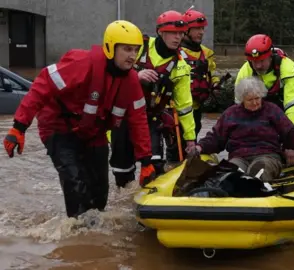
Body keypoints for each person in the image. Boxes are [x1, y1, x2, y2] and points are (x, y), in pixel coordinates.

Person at [3, 20, 155, 218]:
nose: (132, 56)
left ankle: (93, 237)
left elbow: (138, 121)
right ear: (110, 47)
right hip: (59, 128)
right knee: (75, 184)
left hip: (94, 132)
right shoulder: (82, 63)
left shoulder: (131, 81)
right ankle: (76, 230)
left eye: (136, 50)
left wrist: (145, 161)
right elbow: (42, 86)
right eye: (127, 49)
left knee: (100, 195)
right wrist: (18, 127)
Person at [109, 10, 195, 179]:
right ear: (160, 32)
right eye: (173, 33)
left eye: (180, 33)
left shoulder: (181, 66)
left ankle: (151, 196)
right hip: (123, 117)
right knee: (122, 170)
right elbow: (112, 73)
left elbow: (185, 105)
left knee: (154, 164)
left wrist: (190, 138)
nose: (177, 37)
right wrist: (136, 76)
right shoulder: (139, 47)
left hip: (151, 119)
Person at [187, 76, 294, 182]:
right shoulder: (230, 114)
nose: (255, 102)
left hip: (268, 156)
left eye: (257, 98)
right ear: (242, 100)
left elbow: (291, 133)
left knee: (259, 171)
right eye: (250, 100)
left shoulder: (272, 110)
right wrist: (200, 147)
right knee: (233, 173)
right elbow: (216, 138)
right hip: (239, 157)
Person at [235, 34, 294, 167]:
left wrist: (291, 144)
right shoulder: (245, 71)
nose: (258, 66)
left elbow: (292, 109)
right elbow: (238, 111)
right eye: (255, 62)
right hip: (258, 116)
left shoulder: (288, 68)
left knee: (290, 156)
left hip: (284, 115)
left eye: (262, 61)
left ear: (270, 56)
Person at [179, 8, 220, 137]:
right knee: (176, 143)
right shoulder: (176, 51)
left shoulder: (206, 53)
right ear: (186, 30)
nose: (201, 32)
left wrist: (216, 84)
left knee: (194, 134)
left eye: (202, 29)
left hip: (197, 106)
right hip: (177, 108)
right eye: (197, 29)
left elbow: (212, 73)